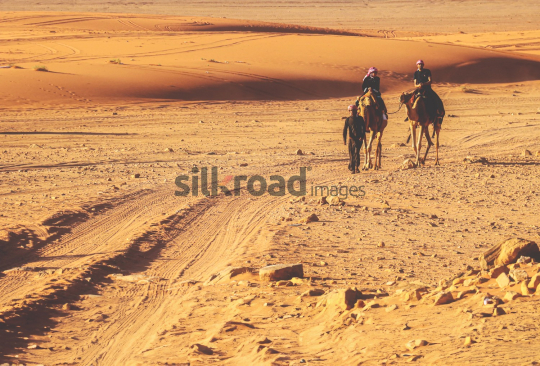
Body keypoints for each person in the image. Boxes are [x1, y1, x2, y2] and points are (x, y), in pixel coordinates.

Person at [343, 104, 365, 174]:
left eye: (354, 111)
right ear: (349, 111)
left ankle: (356, 167)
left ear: (356, 111)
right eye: (351, 111)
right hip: (351, 139)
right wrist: (344, 140)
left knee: (356, 152)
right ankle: (352, 167)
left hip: (359, 139)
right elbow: (345, 130)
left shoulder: (360, 119)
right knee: (351, 154)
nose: (353, 112)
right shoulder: (348, 120)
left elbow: (363, 129)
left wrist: (362, 136)